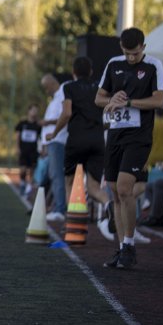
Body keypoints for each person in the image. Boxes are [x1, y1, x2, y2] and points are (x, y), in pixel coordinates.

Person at [96, 27, 163, 269]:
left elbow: (159, 100)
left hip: (138, 137)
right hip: (115, 136)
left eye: (135, 54)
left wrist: (127, 102)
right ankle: (121, 248)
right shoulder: (113, 64)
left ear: (143, 49)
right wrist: (111, 100)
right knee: (115, 192)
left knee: (126, 189)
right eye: (127, 53)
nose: (130, 58)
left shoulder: (154, 66)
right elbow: (99, 98)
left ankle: (130, 245)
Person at [46, 57, 114, 241]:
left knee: (71, 183)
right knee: (93, 188)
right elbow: (109, 113)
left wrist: (54, 132)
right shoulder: (99, 89)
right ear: (91, 71)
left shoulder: (69, 87)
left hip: (76, 140)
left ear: (74, 72)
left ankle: (73, 225)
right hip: (98, 141)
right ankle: (109, 204)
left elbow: (67, 113)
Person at [40, 74, 68, 221]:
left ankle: (60, 209)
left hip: (58, 140)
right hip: (52, 142)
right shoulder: (54, 99)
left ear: (51, 84)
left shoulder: (63, 92)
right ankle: (43, 205)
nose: (46, 91)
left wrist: (48, 122)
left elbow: (66, 115)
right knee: (49, 176)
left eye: (46, 88)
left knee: (57, 175)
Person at [15, 104, 41, 197]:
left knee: (31, 170)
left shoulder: (38, 126)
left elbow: (40, 138)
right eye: (33, 110)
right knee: (23, 169)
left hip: (33, 151)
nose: (34, 113)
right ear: (29, 111)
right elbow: (17, 136)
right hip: (24, 150)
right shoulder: (22, 124)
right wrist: (17, 147)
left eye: (36, 111)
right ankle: (22, 183)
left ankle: (28, 189)